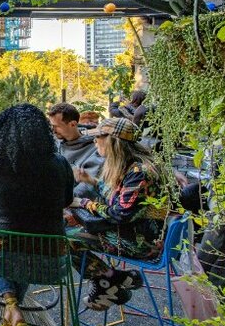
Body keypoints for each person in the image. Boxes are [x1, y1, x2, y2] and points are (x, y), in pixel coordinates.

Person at [0, 104, 75, 326]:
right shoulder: (60, 163)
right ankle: (12, 305)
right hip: (53, 263)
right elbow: (67, 200)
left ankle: (10, 302)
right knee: (23, 245)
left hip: (7, 257)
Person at [71, 117, 167, 310]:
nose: (95, 141)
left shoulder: (140, 172)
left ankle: (113, 280)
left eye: (99, 136)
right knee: (73, 230)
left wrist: (84, 203)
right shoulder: (135, 166)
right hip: (139, 234)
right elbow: (121, 199)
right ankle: (111, 285)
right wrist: (93, 181)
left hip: (141, 243)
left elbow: (119, 213)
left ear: (112, 141)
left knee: (65, 240)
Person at [48, 102, 104, 200]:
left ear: (73, 124)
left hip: (72, 202)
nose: (53, 130)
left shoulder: (95, 149)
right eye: (51, 126)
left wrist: (59, 201)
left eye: (56, 126)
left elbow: (87, 186)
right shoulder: (53, 141)